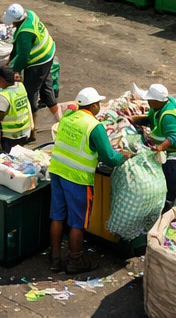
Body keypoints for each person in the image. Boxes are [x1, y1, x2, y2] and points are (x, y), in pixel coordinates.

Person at [48, 88, 133, 274]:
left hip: (57, 171)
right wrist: (124, 156)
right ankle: (75, 260)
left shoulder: (68, 117)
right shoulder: (95, 127)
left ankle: (55, 259)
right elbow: (109, 158)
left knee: (57, 216)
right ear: (94, 105)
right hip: (77, 179)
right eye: (98, 104)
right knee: (77, 222)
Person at [139, 84, 176, 208]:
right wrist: (133, 120)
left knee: (170, 192)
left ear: (158, 101)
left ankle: (164, 217)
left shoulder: (168, 116)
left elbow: (174, 138)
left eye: (150, 100)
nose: (148, 103)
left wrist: (160, 148)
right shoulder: (163, 105)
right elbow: (150, 119)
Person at [3, 2, 57, 115]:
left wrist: (12, 72)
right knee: (44, 83)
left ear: (17, 21)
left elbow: (23, 58)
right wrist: (9, 60)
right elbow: (16, 47)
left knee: (30, 89)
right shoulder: (29, 14)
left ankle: (31, 114)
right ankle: (56, 112)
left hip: (40, 59)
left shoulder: (25, 34)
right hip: (49, 49)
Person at [0, 66, 34, 152]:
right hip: (24, 130)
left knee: (9, 158)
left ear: (2, 80)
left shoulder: (3, 95)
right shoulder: (20, 86)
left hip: (11, 136)